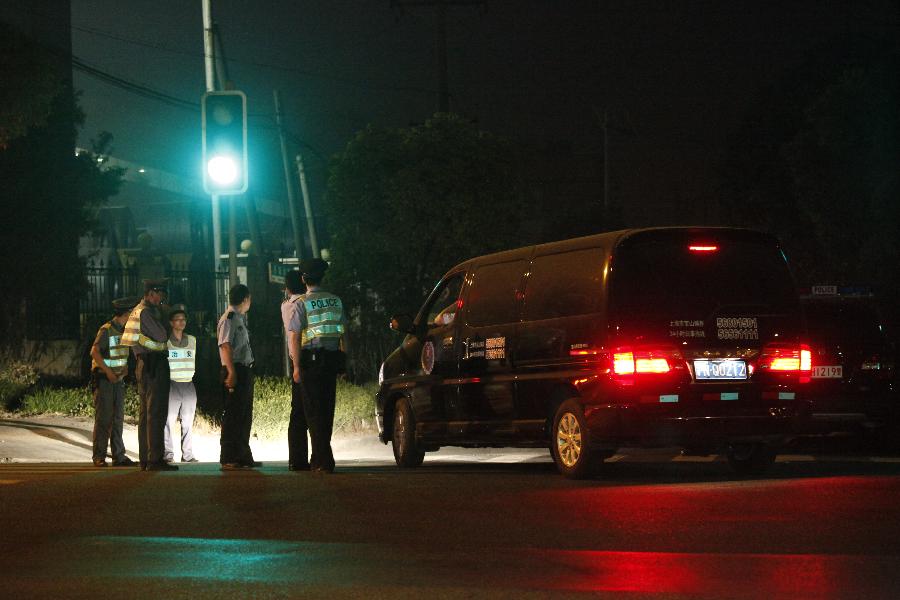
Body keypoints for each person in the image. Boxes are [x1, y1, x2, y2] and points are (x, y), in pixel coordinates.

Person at [288, 258, 348, 474]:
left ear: (304, 279)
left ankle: (322, 460)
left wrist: (295, 366)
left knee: (313, 412)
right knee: (326, 409)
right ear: (323, 277)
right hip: (331, 361)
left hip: (311, 362)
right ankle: (322, 458)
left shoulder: (302, 303)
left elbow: (294, 338)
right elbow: (343, 334)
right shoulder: (335, 301)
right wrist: (343, 361)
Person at [122, 279, 178, 471]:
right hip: (154, 365)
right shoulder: (146, 312)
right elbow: (162, 336)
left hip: (144, 364)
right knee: (156, 412)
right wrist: (165, 313)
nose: (162, 298)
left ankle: (146, 459)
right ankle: (155, 459)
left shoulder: (136, 311)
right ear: (151, 293)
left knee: (146, 413)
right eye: (160, 293)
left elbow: (134, 343)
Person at [89, 296, 140, 467]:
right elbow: (94, 352)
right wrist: (109, 371)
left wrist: (124, 369)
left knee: (118, 419)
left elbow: (122, 353)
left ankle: (119, 456)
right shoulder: (106, 329)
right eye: (132, 313)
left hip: (118, 380)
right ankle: (99, 457)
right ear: (126, 313)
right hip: (104, 380)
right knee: (104, 419)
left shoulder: (126, 330)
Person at [217, 283, 259, 470]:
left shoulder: (238, 318)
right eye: (249, 299)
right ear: (245, 299)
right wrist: (232, 372)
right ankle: (229, 456)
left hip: (244, 369)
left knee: (243, 414)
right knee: (233, 414)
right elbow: (225, 346)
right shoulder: (229, 319)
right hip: (235, 369)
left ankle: (242, 454)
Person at [281, 270, 311, 471]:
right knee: (309, 411)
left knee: (298, 412)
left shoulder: (286, 305)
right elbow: (296, 336)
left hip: (296, 360)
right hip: (306, 359)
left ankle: (297, 459)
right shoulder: (303, 303)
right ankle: (305, 458)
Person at [164, 305, 199, 464]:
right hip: (172, 385)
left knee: (188, 422)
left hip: (188, 385)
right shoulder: (166, 342)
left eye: (183, 319)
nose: (181, 322)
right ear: (171, 323)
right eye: (178, 319)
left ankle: (188, 455)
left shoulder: (192, 340)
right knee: (169, 422)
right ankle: (168, 454)